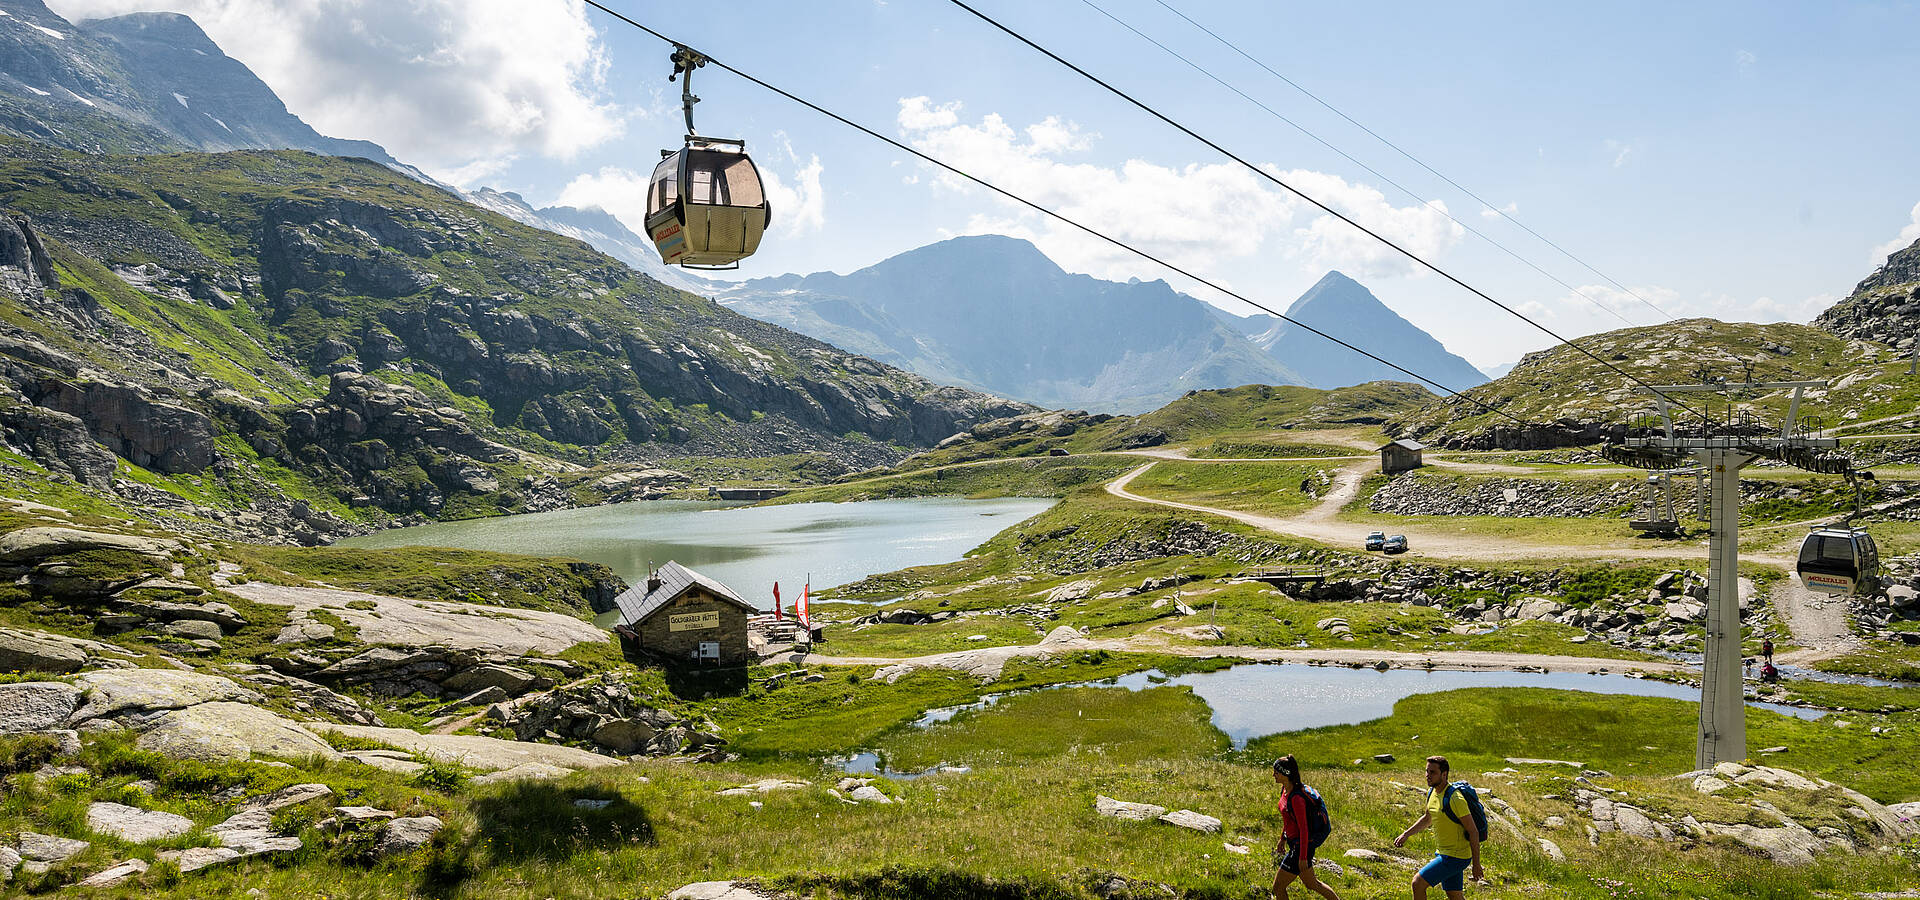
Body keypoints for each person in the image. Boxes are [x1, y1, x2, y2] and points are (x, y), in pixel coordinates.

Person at [1393, 756, 1482, 900]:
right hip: (1444, 853)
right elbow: (1428, 818)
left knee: (1417, 883)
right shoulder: (1432, 793)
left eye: (1432, 772)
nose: (1428, 775)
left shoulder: (1455, 799)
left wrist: (1476, 865)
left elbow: (1473, 831)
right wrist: (1406, 834)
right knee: (1454, 895)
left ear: (1444, 774)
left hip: (1455, 856)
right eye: (1427, 771)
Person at [1271, 755, 1343, 900]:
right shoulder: (1285, 790)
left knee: (1278, 888)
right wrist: (1282, 839)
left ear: (1285, 774)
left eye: (1276, 772)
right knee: (1312, 884)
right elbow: (1289, 821)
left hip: (1300, 848)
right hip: (1297, 846)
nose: (1273, 775)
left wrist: (1303, 857)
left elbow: (1304, 829)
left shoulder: (1297, 798)